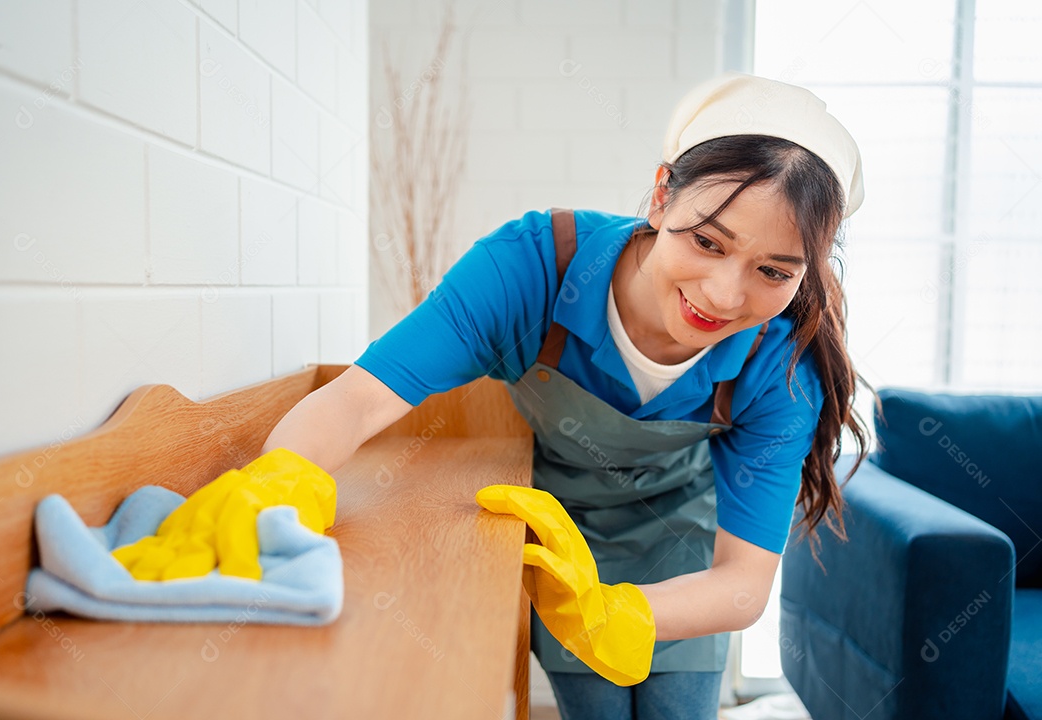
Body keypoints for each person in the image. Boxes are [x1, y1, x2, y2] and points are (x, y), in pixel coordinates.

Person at [262, 72, 875, 720]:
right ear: (664, 196)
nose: (724, 296)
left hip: (684, 553)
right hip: (562, 542)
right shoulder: (532, 270)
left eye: (773, 271)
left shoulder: (778, 364)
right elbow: (357, 401)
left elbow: (742, 587)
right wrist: (278, 483)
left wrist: (619, 610)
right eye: (707, 242)